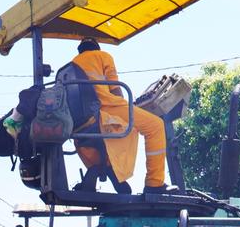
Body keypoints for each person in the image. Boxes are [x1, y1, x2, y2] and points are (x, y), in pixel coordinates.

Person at [70, 38, 170, 194]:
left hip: (83, 118)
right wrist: (129, 108)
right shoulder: (103, 56)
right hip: (107, 107)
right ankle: (154, 183)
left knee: (116, 133)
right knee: (155, 126)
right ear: (97, 47)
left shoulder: (71, 66)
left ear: (80, 50)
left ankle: (109, 169)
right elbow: (116, 91)